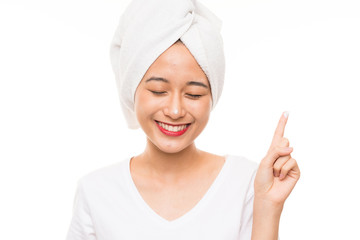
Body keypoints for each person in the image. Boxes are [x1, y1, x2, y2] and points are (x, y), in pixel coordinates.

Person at [66, 0, 300, 239]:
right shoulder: (96, 192)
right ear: (131, 90)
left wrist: (269, 206)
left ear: (212, 97)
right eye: (158, 90)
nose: (175, 110)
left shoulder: (247, 182)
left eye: (194, 94)